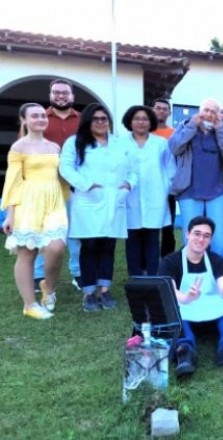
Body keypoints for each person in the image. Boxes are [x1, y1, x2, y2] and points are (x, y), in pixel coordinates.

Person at [59, 103, 136, 312]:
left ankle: (104, 289)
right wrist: (85, 184)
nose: (101, 122)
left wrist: (129, 185)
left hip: (114, 201)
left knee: (108, 247)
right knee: (90, 246)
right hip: (88, 201)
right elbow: (65, 167)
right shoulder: (75, 143)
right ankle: (89, 292)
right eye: (96, 119)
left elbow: (133, 170)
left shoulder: (120, 145)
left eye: (104, 118)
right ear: (87, 121)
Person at [159, 216, 223, 378]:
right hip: (184, 305)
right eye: (197, 233)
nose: (201, 239)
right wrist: (187, 297)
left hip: (210, 309)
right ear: (187, 234)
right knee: (172, 306)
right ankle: (185, 352)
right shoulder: (170, 261)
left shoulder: (217, 260)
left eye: (206, 235)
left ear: (210, 240)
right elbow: (171, 292)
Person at [2, 103, 68, 319]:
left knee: (56, 247)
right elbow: (12, 182)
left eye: (42, 115)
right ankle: (29, 304)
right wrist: (10, 215)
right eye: (35, 116)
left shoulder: (55, 147)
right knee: (26, 253)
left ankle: (48, 287)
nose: (40, 119)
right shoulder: (18, 148)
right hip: (27, 202)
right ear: (24, 120)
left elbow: (62, 177)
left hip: (54, 201)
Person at [168, 98, 223, 266]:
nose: (209, 114)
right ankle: (190, 272)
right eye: (206, 110)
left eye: (213, 111)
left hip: (217, 190)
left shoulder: (220, 130)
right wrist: (192, 126)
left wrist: (221, 130)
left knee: (218, 236)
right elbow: (175, 147)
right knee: (192, 235)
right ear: (199, 111)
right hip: (189, 190)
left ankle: (222, 275)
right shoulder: (185, 126)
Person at [33, 78, 81, 291]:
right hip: (45, 185)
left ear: (72, 96)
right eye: (56, 92)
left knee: (76, 232)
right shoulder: (38, 118)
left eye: (65, 92)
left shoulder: (82, 120)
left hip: (75, 186)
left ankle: (78, 272)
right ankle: (39, 275)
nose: (61, 95)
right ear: (50, 95)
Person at [121, 105, 175, 276]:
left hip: (155, 195)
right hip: (130, 196)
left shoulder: (160, 143)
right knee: (133, 238)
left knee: (152, 237)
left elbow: (170, 168)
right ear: (130, 121)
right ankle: (135, 276)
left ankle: (152, 276)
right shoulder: (120, 143)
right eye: (136, 118)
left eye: (144, 119)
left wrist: (166, 188)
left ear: (150, 121)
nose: (141, 122)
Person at [152, 98, 178, 258]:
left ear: (169, 113)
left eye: (164, 109)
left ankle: (167, 259)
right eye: (158, 108)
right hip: (148, 187)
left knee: (168, 226)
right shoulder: (144, 132)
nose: (161, 111)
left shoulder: (174, 134)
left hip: (168, 186)